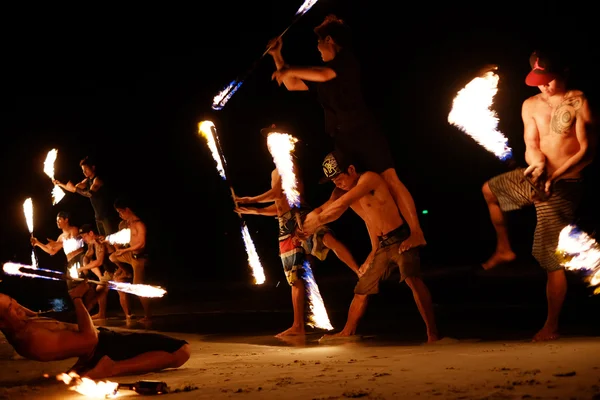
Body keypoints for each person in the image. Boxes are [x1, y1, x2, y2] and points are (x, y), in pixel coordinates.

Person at [266, 14, 427, 253]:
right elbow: (290, 83)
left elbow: (320, 73)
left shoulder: (345, 62)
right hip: (342, 138)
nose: (317, 48)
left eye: (318, 43)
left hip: (363, 131)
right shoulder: (322, 75)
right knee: (348, 189)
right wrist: (277, 55)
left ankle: (417, 232)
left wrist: (289, 68)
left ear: (329, 40)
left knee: (390, 179)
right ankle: (376, 247)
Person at [481, 49, 596, 342]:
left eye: (549, 80)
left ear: (564, 72)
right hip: (539, 177)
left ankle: (552, 326)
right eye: (538, 80)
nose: (543, 86)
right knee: (490, 190)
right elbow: (531, 143)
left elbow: (587, 151)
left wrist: (555, 176)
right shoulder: (530, 104)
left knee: (550, 257)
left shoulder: (580, 101)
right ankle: (504, 249)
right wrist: (538, 164)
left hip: (566, 182)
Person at [234, 127, 361, 337]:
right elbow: (278, 205)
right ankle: (298, 325)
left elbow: (278, 193)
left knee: (326, 238)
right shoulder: (274, 171)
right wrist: (253, 210)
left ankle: (358, 270)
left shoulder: (288, 163)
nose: (269, 144)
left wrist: (250, 199)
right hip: (284, 224)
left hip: (299, 216)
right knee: (295, 277)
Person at [301, 151, 439, 343]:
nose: (337, 184)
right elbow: (326, 208)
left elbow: (341, 205)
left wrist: (318, 221)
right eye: (333, 181)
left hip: (400, 238)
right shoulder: (341, 191)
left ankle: (432, 334)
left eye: (339, 178)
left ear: (351, 169)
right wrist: (305, 224)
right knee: (361, 290)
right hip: (381, 245)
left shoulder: (370, 179)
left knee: (412, 279)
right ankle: (347, 332)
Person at [0, 282, 190, 379]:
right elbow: (88, 340)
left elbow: (73, 323)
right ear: (3, 323)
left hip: (100, 344)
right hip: (103, 347)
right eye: (9, 309)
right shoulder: (32, 339)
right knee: (182, 351)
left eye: (12, 300)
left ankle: (91, 368)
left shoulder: (28, 321)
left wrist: (92, 297)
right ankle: (112, 368)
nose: (16, 306)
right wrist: (76, 299)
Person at [108, 197, 152, 324]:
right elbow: (121, 239)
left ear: (127, 210)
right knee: (112, 257)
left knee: (138, 287)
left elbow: (141, 244)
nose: (120, 215)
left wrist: (125, 251)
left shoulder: (139, 224)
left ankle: (148, 316)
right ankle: (125, 272)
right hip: (130, 255)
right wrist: (116, 245)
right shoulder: (125, 224)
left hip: (140, 258)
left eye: (121, 212)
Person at [53, 156, 118, 237]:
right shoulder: (87, 180)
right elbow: (73, 188)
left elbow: (90, 194)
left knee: (112, 239)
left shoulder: (97, 180)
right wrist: (59, 184)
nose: (84, 172)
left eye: (86, 169)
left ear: (93, 167)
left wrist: (75, 189)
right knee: (103, 240)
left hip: (107, 216)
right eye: (83, 170)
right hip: (98, 217)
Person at [30, 211, 86, 289]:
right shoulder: (60, 237)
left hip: (80, 258)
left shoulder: (74, 230)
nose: (57, 222)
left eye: (59, 219)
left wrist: (59, 244)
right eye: (56, 220)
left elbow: (74, 242)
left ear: (66, 220)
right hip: (70, 262)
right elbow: (52, 251)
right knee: (72, 288)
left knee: (85, 283)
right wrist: (37, 243)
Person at [78, 223, 116, 321]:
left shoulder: (99, 241)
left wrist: (82, 269)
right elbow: (87, 256)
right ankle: (101, 313)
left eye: (84, 236)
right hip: (108, 271)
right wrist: (85, 265)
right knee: (99, 286)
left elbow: (99, 262)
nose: (84, 239)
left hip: (116, 269)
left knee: (101, 288)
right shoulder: (92, 243)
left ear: (91, 233)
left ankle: (128, 315)